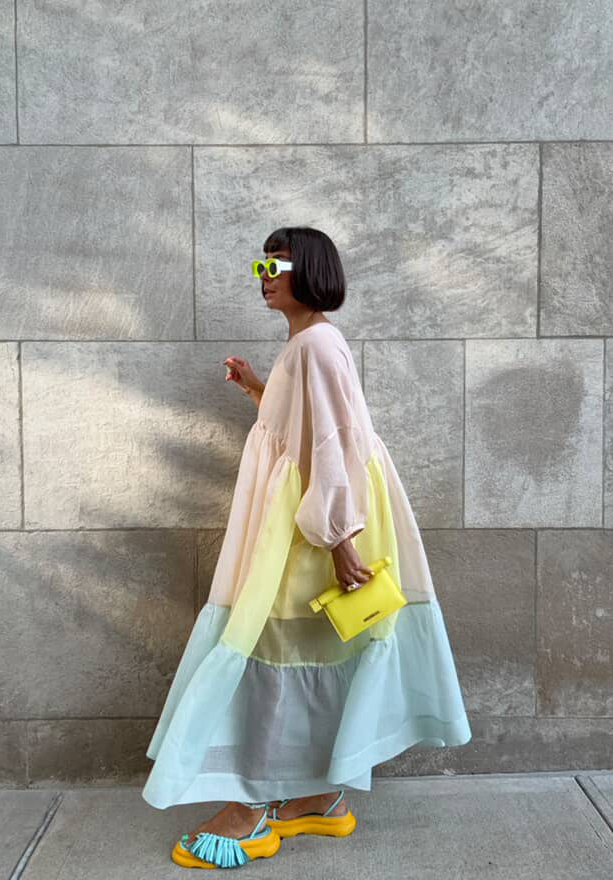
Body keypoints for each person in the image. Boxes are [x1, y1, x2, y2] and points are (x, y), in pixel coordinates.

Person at [142, 226, 472, 869]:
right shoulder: (307, 344)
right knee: (305, 649)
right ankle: (319, 797)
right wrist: (258, 389)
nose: (264, 277)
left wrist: (341, 542)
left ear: (311, 271)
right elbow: (305, 429)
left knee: (271, 646)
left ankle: (251, 808)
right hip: (305, 524)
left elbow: (334, 447)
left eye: (276, 265)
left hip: (309, 532)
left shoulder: (317, 344)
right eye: (259, 265)